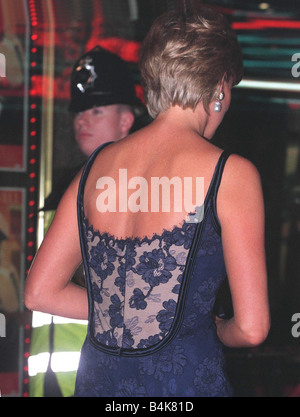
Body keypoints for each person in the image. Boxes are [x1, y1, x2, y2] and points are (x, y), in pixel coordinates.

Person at [25, 7, 270, 397]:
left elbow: (39, 292)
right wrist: (219, 327)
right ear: (220, 88)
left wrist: (127, 312)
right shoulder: (229, 174)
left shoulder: (95, 169)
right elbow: (252, 328)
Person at [28, 46, 143, 397]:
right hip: (49, 375)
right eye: (79, 111)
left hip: (103, 377)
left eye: (96, 110)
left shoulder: (140, 192)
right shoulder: (66, 190)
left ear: (126, 120)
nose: (82, 120)